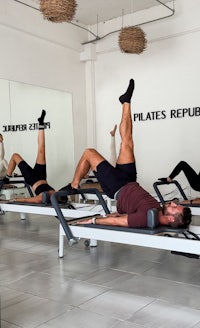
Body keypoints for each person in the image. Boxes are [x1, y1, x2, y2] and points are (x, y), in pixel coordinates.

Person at [60, 79, 192, 228]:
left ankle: (74, 185)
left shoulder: (146, 218)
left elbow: (119, 221)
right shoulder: (156, 210)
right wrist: (118, 213)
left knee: (89, 152)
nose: (173, 203)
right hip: (129, 180)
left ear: (171, 219)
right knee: (128, 141)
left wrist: (93, 220)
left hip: (117, 187)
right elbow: (122, 215)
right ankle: (126, 102)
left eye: (174, 208)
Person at [3, 110, 56, 203]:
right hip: (42, 176)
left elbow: (32, 200)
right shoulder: (57, 194)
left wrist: (16, 199)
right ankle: (41, 123)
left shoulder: (43, 198)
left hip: (32, 179)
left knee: (15, 156)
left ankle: (7, 176)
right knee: (42, 149)